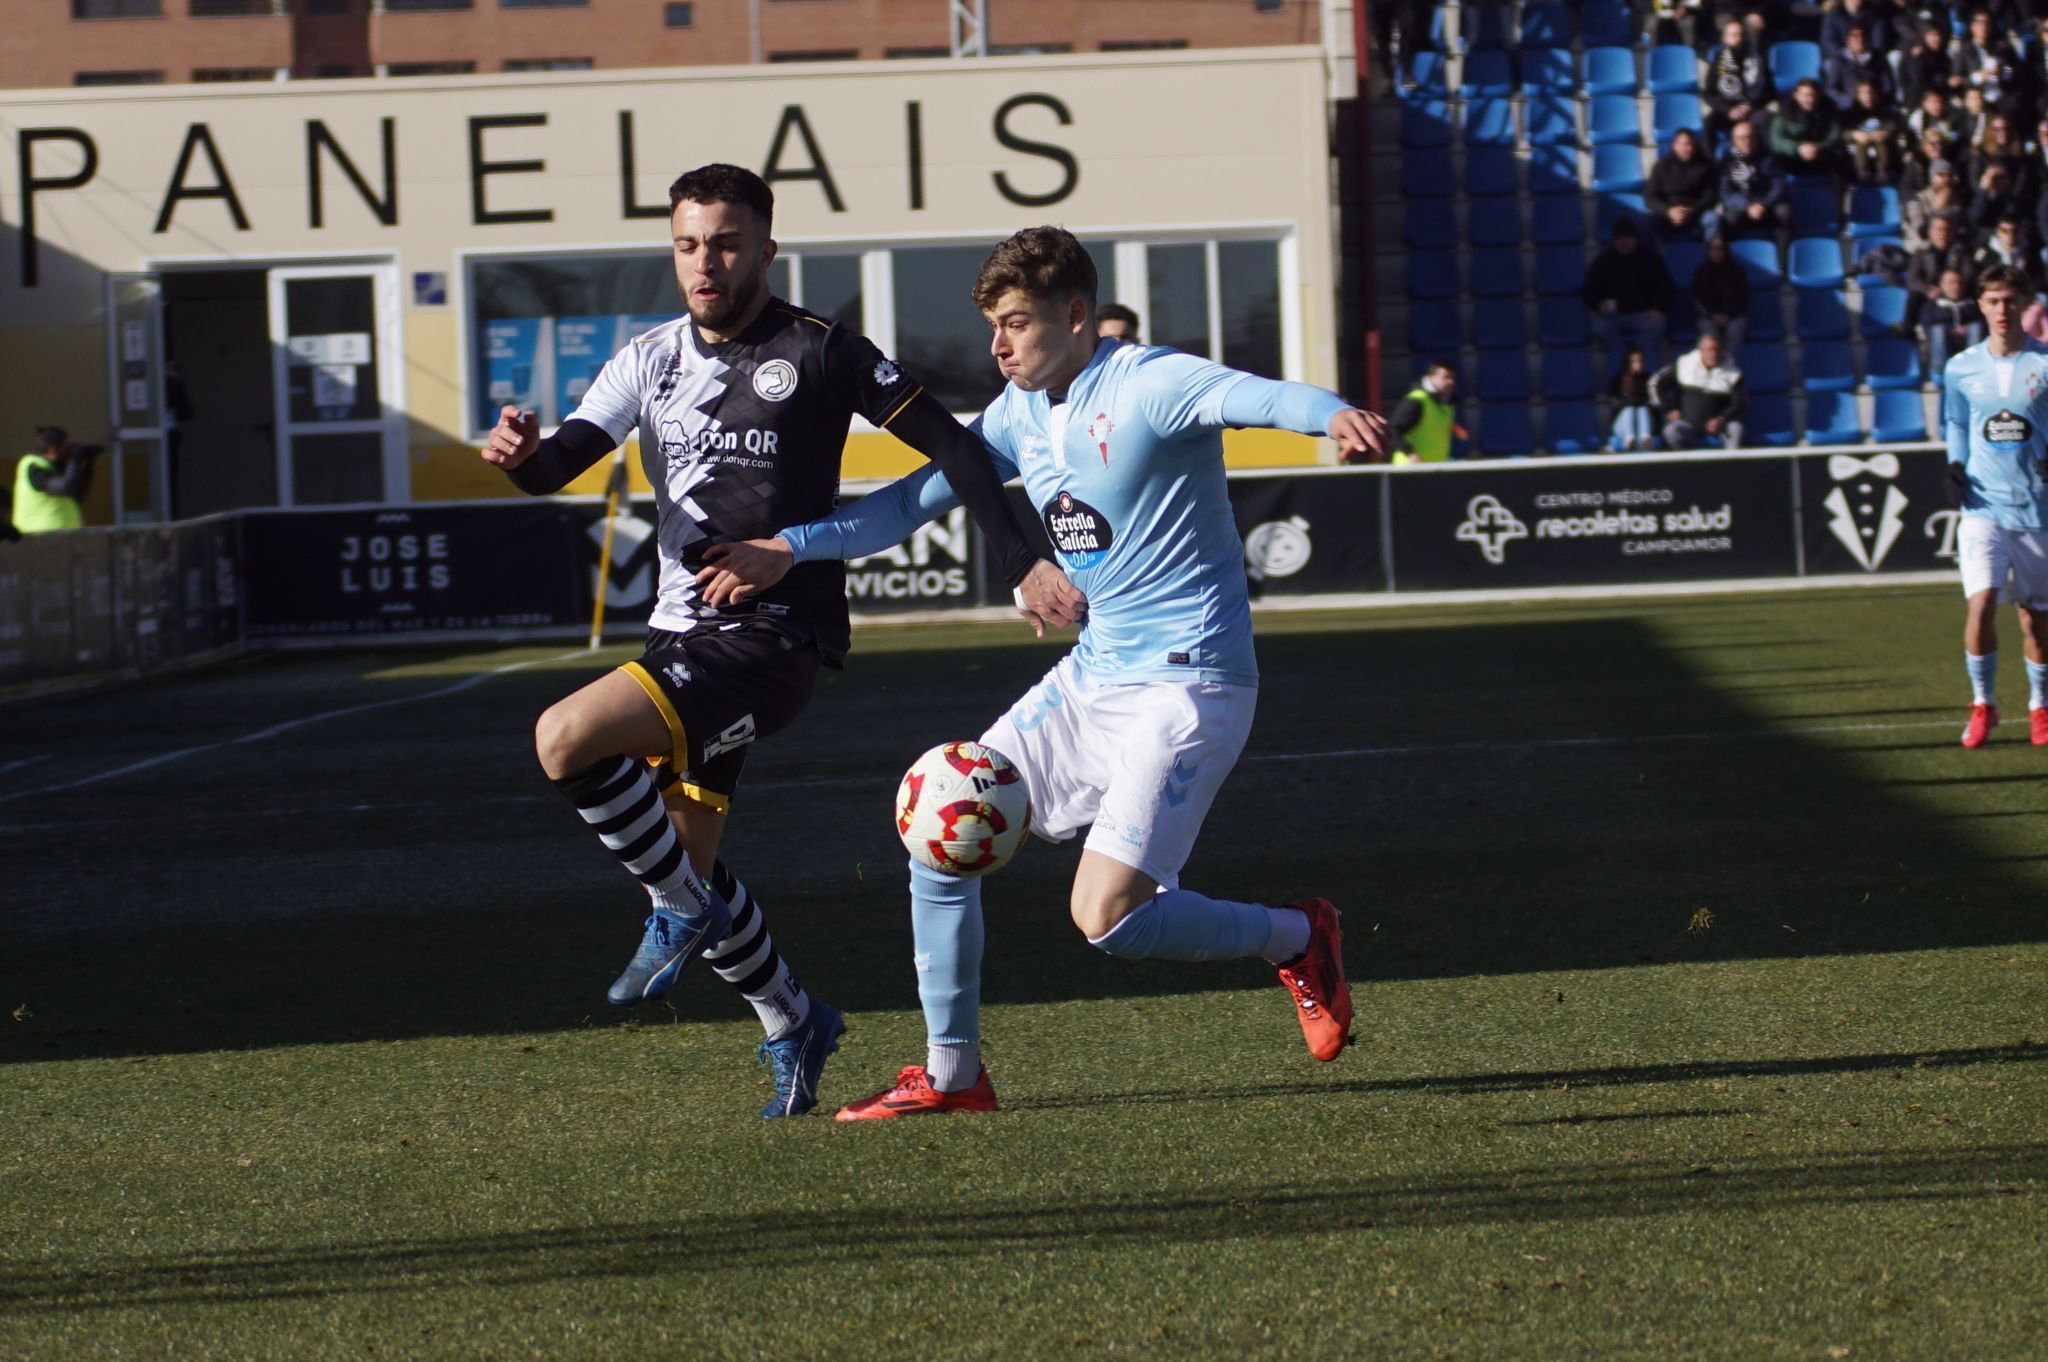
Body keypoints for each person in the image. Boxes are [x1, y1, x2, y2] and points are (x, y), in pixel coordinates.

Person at [692, 226, 1388, 1118]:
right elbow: (908, 503)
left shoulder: (1148, 382)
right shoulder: (1018, 415)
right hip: (1092, 676)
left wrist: (1329, 414)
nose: (998, 345)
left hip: (1189, 684)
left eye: (1016, 323)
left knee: (1109, 919)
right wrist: (788, 548)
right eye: (992, 325)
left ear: (1074, 314)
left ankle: (1296, 936)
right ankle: (953, 1076)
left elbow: (1258, 396)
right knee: (938, 829)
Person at [478, 164, 1084, 1119]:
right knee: (687, 856)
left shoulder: (824, 351)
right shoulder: (647, 359)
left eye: (724, 242)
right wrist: (521, 459)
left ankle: (680, 913)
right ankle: (790, 1017)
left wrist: (1020, 561)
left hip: (773, 639)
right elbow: (561, 463)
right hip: (684, 633)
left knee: (566, 738)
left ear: (767, 247)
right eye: (687, 244)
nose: (704, 262)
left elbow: (962, 449)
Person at [1940, 263, 2048, 748]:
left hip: (2038, 512)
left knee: (2036, 621)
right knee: (1981, 603)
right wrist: (1955, 466)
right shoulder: (1960, 367)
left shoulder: (2045, 364)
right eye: (1993, 301)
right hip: (1983, 507)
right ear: (1980, 306)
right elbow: (1957, 424)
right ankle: (1983, 705)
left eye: (2010, 300)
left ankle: (2039, 707)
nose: (2002, 309)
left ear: (2025, 303)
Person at [1582, 217, 1675, 375]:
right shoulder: (1603, 262)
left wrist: (1659, 309)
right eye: (1619, 238)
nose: (1624, 242)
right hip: (1613, 315)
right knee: (1600, 328)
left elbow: (1668, 288)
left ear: (1635, 238)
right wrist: (1599, 305)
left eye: (1628, 238)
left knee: (1653, 332)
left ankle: (1648, 380)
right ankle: (1617, 381)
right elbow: (1588, 291)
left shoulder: (1651, 259)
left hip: (1644, 314)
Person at [1650, 331, 1747, 449]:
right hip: (1688, 424)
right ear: (1701, 350)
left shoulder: (1733, 373)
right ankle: (1684, 465)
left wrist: (1721, 419)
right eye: (1709, 350)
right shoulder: (1684, 364)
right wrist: (1669, 409)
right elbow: (1656, 383)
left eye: (1716, 350)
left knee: (1736, 428)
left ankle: (1731, 465)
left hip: (1720, 426)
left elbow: (1739, 403)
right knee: (1671, 431)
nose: (1713, 353)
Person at [12, 426, 101, 534]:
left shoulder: (57, 469)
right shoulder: (34, 467)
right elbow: (65, 488)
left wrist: (89, 463)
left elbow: (79, 495)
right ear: (53, 450)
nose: (69, 451)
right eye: (66, 448)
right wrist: (75, 460)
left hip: (64, 537)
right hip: (38, 539)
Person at [1703, 16, 1773, 147]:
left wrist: (1750, 105)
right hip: (1727, 110)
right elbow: (1708, 93)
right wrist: (1728, 110)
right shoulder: (1719, 60)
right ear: (1725, 38)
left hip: (1751, 108)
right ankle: (1709, 162)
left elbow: (1769, 90)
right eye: (1733, 35)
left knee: (1769, 119)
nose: (1738, 38)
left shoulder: (1757, 57)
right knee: (1708, 123)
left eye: (1741, 34)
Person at [1718, 119, 1791, 242]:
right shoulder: (1728, 160)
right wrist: (1747, 206)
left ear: (1757, 138)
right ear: (1734, 141)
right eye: (1742, 138)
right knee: (1729, 218)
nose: (1747, 142)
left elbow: (1778, 185)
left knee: (1784, 213)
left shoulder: (1770, 157)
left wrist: (1764, 204)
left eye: (1750, 137)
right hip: (1743, 206)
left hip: (1767, 205)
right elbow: (1726, 193)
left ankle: (1783, 258)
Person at [1646, 128, 1718, 244]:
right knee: (1648, 222)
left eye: (1691, 144)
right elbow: (1650, 197)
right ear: (1674, 145)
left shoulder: (1705, 166)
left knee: (1712, 219)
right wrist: (1668, 211)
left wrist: (1691, 210)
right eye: (1684, 144)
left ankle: (1710, 256)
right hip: (1668, 213)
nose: (1688, 148)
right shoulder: (1662, 165)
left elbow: (1711, 196)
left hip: (1695, 212)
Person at [1388, 360, 1462, 464]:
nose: (1451, 382)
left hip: (1434, 469)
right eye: (1446, 377)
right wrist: (1410, 454)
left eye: (1452, 378)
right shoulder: (1417, 401)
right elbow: (1393, 430)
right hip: (1409, 470)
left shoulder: (1446, 404)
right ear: (1431, 377)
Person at [1770, 78, 1843, 177]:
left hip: (1820, 154)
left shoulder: (1829, 108)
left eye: (1813, 95)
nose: (1810, 99)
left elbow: (1834, 135)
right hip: (1792, 157)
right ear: (1796, 95)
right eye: (1806, 95)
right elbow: (1777, 140)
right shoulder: (1784, 111)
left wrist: (1818, 147)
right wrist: (1798, 148)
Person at [1923, 266, 1989, 374]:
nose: (1956, 286)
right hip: (1944, 347)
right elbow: (1928, 329)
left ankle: (1974, 369)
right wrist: (1950, 332)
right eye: (1951, 283)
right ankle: (1940, 372)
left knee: (1976, 327)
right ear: (1942, 285)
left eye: (1959, 282)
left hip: (1968, 344)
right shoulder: (1931, 307)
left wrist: (1966, 329)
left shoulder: (1973, 305)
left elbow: (1983, 324)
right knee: (1938, 330)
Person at [1692, 233, 1751, 352]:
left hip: (1733, 316)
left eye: (1720, 249)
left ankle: (1728, 362)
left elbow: (1743, 297)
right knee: (1709, 331)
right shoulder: (1701, 272)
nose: (1716, 252)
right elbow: (1698, 300)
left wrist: (1729, 315)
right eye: (1713, 249)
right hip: (1708, 317)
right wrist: (1713, 315)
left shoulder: (1737, 271)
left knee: (1736, 328)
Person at [1843, 78, 1905, 183]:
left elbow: (1894, 126)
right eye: (1863, 93)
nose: (1868, 97)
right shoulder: (1850, 113)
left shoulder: (1886, 112)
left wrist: (1886, 133)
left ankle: (1884, 172)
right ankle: (1862, 172)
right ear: (1857, 94)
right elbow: (1842, 132)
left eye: (1871, 92)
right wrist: (1853, 134)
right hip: (1857, 152)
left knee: (1883, 143)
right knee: (1860, 144)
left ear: (1877, 94)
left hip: (1883, 151)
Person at [1825, 24, 1894, 110]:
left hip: (1876, 105)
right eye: (1855, 36)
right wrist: (1848, 100)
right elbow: (1831, 88)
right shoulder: (1839, 61)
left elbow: (1887, 85)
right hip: (1849, 108)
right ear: (1848, 40)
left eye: (1862, 36)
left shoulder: (1878, 58)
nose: (1860, 39)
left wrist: (1876, 98)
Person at [1609, 346, 1658, 451]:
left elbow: (1652, 403)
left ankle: (1645, 438)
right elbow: (1616, 405)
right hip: (1622, 424)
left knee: (1642, 410)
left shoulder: (1649, 380)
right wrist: (1633, 401)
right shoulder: (1618, 381)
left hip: (1642, 424)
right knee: (1629, 410)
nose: (1638, 364)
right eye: (1634, 361)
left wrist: (1635, 401)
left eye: (1640, 361)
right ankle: (1629, 439)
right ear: (1627, 363)